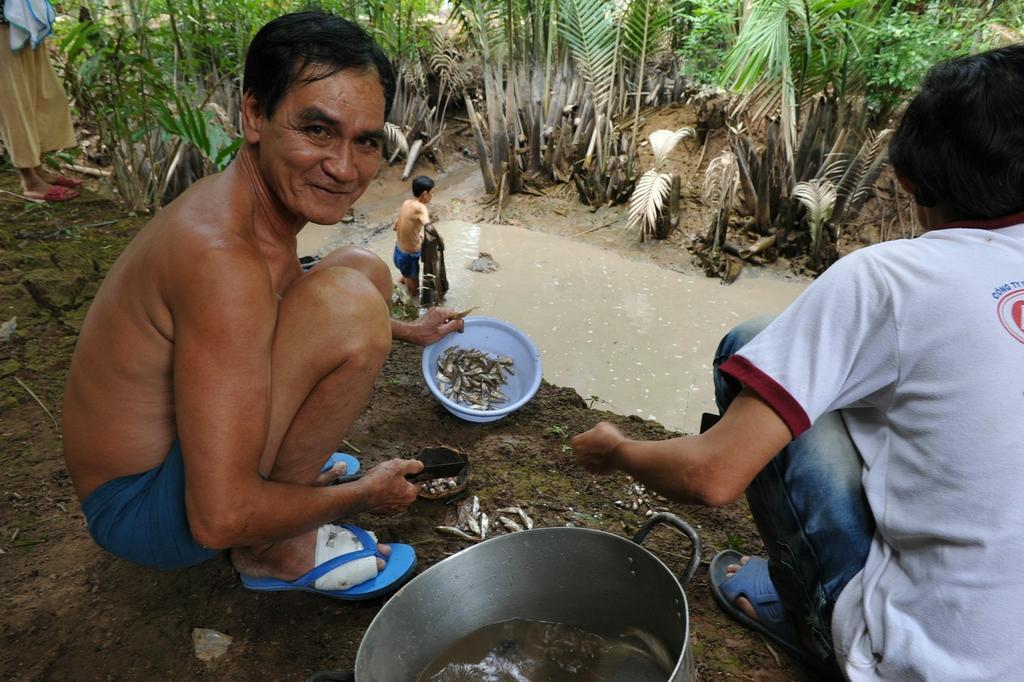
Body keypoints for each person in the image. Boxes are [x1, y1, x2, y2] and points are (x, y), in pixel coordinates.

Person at [571, 44, 1024, 681]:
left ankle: (817, 617)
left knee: (752, 344)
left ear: (910, 176)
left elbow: (711, 477)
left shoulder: (889, 279)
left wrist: (617, 450)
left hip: (927, 665)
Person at [61, 12, 465, 600]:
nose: (345, 167)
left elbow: (273, 309)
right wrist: (362, 495)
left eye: (366, 141)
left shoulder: (244, 209)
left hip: (165, 473)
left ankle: (277, 492)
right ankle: (271, 548)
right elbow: (215, 520)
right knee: (349, 302)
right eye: (318, 130)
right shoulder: (221, 259)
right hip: (144, 511)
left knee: (362, 269)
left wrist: (406, 329)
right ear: (254, 115)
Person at [0, 0, 81, 202]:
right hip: (3, 24)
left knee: (48, 95)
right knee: (14, 103)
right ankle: (30, 180)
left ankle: (38, 169)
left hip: (23, 19)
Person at [393, 174, 434, 298]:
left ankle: (401, 285)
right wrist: (440, 239)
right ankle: (411, 303)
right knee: (415, 292)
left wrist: (417, 234)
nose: (432, 196)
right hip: (409, 257)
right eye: (431, 192)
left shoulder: (406, 203)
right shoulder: (421, 207)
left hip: (398, 252)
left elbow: (395, 226)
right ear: (425, 194)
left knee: (406, 276)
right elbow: (428, 226)